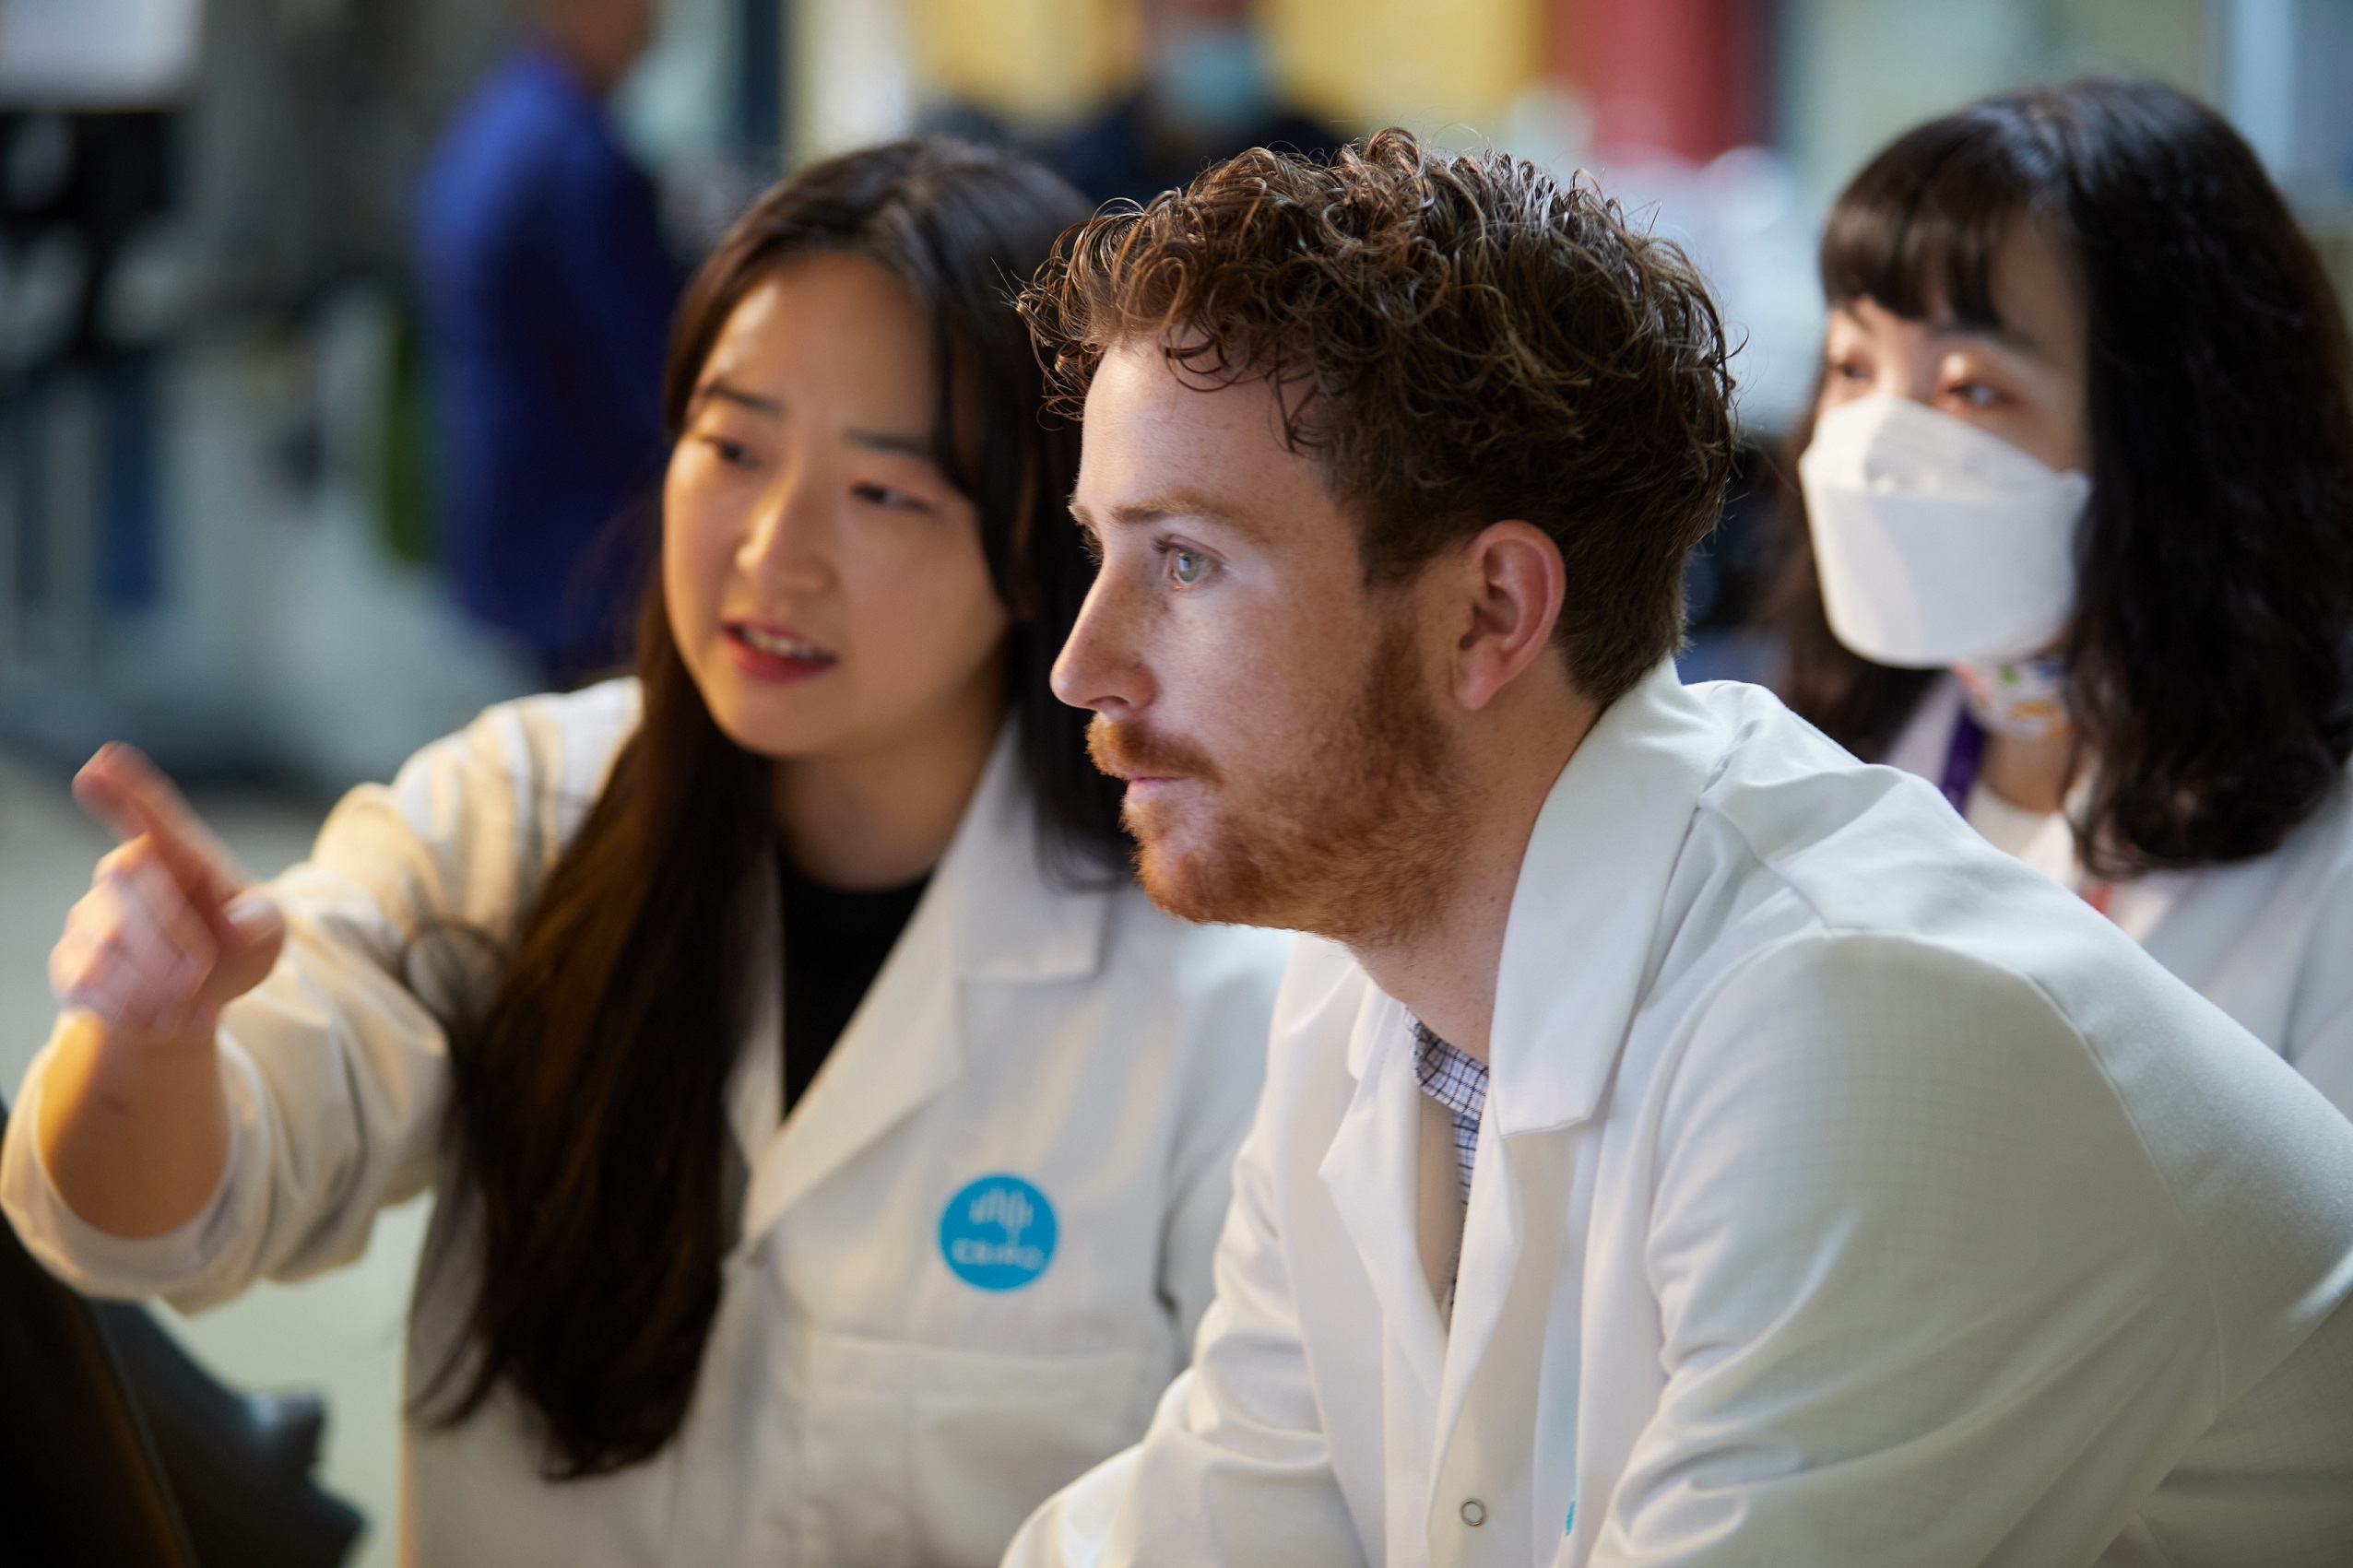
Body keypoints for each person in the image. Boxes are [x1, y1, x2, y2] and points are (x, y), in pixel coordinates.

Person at [1001, 132, 2353, 1566]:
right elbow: (1227, 1519)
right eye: (1104, 555)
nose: (1084, 667)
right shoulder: (1364, 981)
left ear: (1491, 613)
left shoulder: (1859, 1021)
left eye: (1188, 562)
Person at [3, 141, 1290, 1568]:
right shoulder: (511, 817)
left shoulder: (1212, 982)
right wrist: (155, 1035)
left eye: (885, 494)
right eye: (731, 449)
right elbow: (144, 1225)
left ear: (1045, 546)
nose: (772, 556)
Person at [1771, 79, 2353, 1120]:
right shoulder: (1847, 745)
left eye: (1969, 388)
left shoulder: (2328, 866)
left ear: (2177, 430)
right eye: (1848, 365)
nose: (1868, 446)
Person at [415, 0, 684, 683]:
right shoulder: (572, 157)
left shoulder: (499, 120)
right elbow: (649, 378)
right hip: (589, 547)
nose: (660, 18)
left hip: (524, 529)